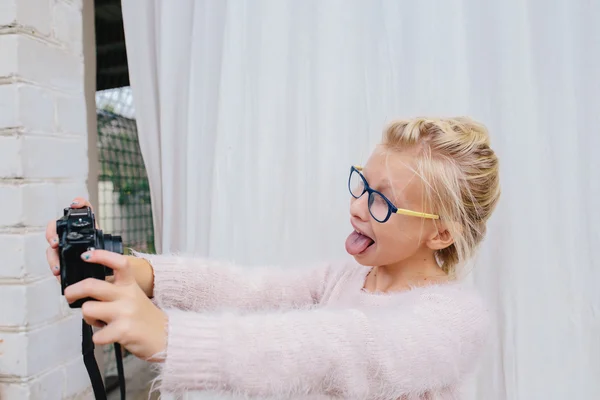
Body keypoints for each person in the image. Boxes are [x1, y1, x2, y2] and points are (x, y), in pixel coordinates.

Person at [46, 116, 500, 399]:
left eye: (382, 200)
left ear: (440, 233)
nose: (357, 206)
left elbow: (339, 347)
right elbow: (249, 289)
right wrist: (133, 269)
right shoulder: (342, 280)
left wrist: (170, 335)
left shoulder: (456, 320)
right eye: (362, 183)